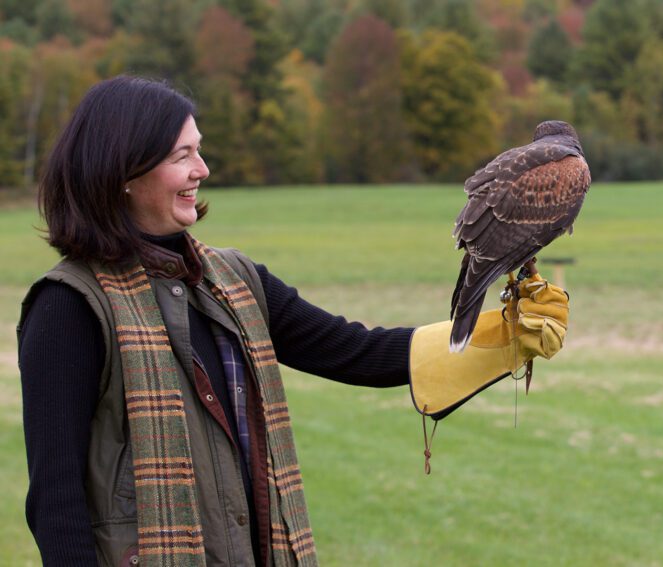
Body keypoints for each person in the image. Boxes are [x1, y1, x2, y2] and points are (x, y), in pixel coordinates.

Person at [17, 75, 569, 566]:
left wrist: (501, 338)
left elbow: (355, 351)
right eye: (181, 156)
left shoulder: (234, 280)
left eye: (200, 152)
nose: (202, 170)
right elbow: (57, 504)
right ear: (123, 172)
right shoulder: (69, 306)